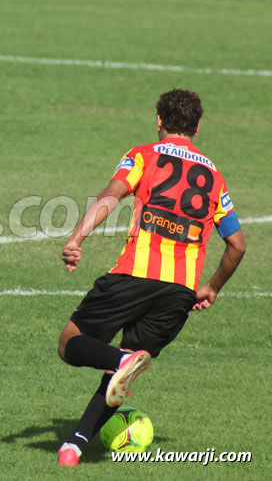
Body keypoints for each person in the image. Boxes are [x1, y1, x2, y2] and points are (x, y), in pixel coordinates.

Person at [55, 89, 245, 466]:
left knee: (70, 343)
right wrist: (211, 287)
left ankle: (121, 361)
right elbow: (237, 246)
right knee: (122, 368)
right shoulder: (215, 176)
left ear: (159, 120)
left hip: (134, 274)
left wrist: (77, 238)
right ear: (197, 127)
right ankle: (73, 448)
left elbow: (112, 193)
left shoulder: (143, 155)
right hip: (180, 291)